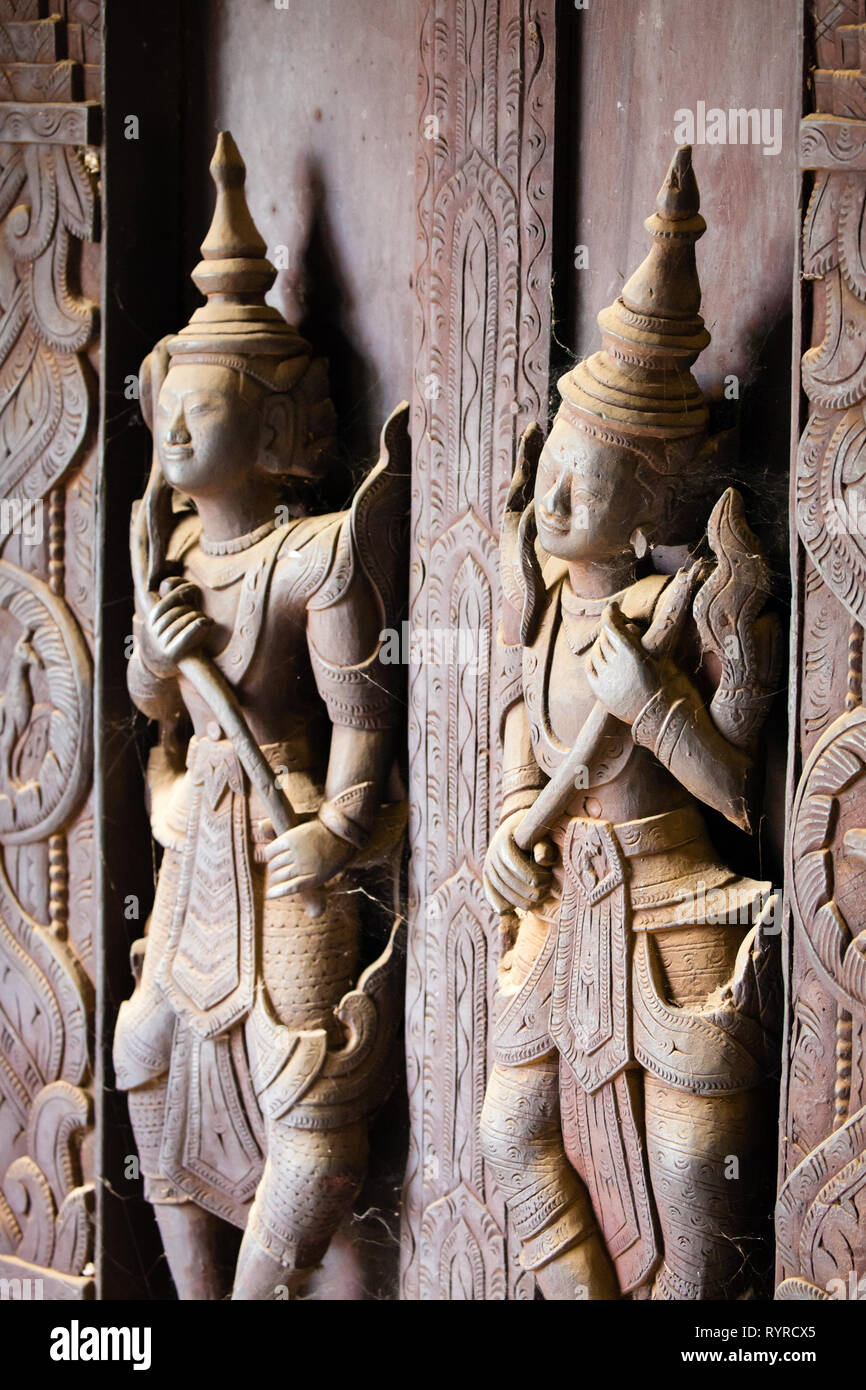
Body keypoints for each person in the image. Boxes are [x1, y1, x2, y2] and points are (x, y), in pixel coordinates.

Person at [479, 147, 779, 1300]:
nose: (554, 498)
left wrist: (652, 704)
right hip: (564, 902)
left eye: (588, 481)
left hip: (671, 894)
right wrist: (514, 832)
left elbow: (737, 793)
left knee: (695, 1153)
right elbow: (522, 766)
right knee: (511, 1136)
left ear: (654, 500)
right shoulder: (547, 620)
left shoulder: (696, 609)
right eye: (553, 467)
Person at [114, 132, 407, 1300]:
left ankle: (270, 1282)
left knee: (309, 1084)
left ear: (277, 428)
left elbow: (361, 713)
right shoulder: (177, 554)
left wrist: (337, 829)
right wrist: (156, 645)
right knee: (146, 1052)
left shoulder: (311, 558)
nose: (176, 434)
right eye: (166, 413)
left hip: (287, 849)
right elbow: (150, 707)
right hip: (196, 848)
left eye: (203, 410)